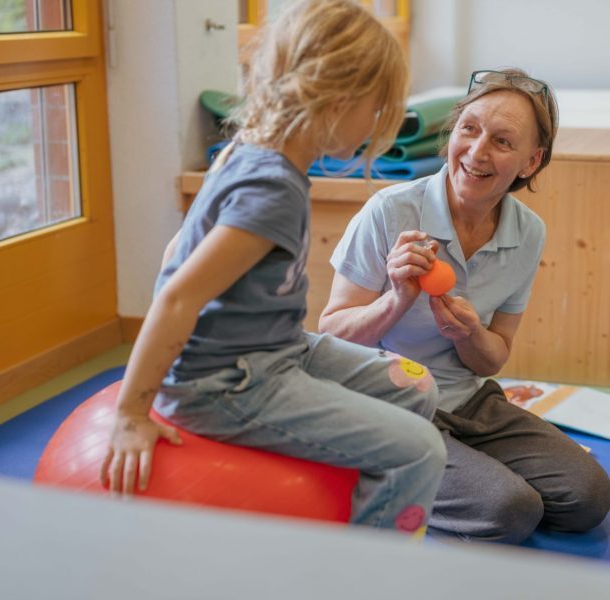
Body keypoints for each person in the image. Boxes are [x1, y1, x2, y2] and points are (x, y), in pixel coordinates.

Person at [100, 0, 447, 537]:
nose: (377, 123)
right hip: (227, 383)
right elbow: (177, 296)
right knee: (419, 451)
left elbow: (176, 251)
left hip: (273, 348)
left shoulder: (249, 149)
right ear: (337, 97)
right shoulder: (273, 189)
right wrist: (132, 412)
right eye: (376, 108)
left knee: (417, 387)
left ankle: (361, 499)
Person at [320, 68, 610, 543]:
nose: (476, 152)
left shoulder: (527, 232)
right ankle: (376, 467)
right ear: (452, 132)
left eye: (502, 141)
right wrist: (395, 301)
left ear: (530, 162)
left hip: (468, 401)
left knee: (588, 496)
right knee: (509, 510)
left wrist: (469, 335)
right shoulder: (391, 211)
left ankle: (445, 468)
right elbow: (330, 335)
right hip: (388, 400)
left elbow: (496, 355)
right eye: (469, 129)